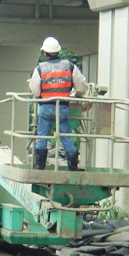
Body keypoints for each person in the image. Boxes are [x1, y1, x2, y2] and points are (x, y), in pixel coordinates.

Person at [29, 37, 88, 171]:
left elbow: (34, 89)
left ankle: (39, 166)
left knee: (42, 135)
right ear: (58, 52)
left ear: (45, 53)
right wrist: (78, 95)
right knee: (65, 134)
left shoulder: (40, 68)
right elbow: (80, 88)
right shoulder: (69, 66)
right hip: (62, 107)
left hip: (45, 106)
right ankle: (73, 166)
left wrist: (40, 96)